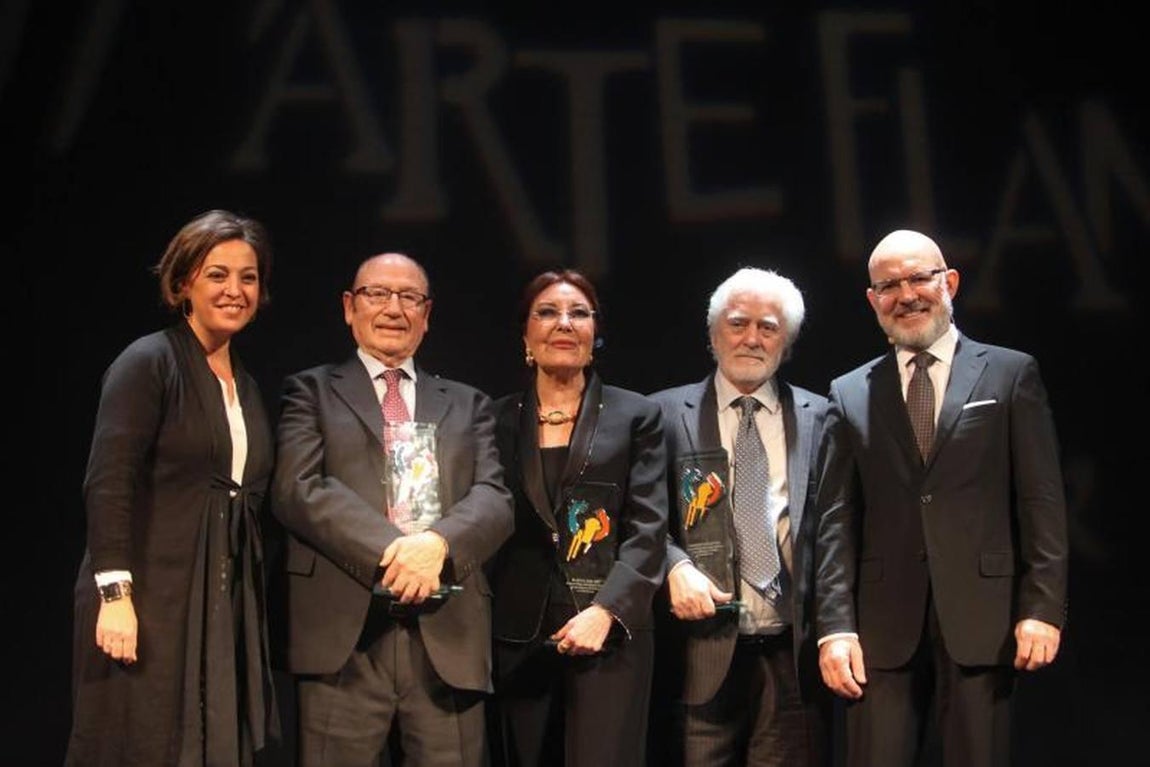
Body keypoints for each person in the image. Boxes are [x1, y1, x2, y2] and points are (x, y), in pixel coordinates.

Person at [814, 229, 1069, 766]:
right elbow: (837, 520)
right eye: (888, 285)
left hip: (986, 620)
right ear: (872, 300)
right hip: (881, 631)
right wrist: (835, 628)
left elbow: (1041, 501)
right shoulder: (849, 391)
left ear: (949, 281)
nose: (906, 294)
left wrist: (1042, 607)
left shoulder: (1010, 372)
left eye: (918, 278)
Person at [271, 251, 514, 767]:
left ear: (427, 315)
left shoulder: (468, 403)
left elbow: (495, 498)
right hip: (344, 639)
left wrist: (437, 546)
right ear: (349, 307)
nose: (393, 308)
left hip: (447, 635)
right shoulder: (311, 392)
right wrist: (400, 553)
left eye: (409, 297)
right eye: (377, 294)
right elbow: (298, 488)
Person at [66, 209, 280, 766]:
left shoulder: (249, 388)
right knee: (140, 743)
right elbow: (108, 481)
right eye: (217, 274)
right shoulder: (148, 362)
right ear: (183, 283)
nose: (235, 290)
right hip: (148, 602)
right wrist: (116, 598)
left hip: (216, 601)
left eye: (248, 277)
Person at [650, 267, 833, 767]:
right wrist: (674, 566)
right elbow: (640, 518)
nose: (751, 338)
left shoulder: (822, 417)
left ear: (786, 342)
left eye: (768, 327)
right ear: (713, 335)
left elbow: (840, 532)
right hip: (700, 651)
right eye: (737, 323)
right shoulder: (663, 415)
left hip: (792, 653)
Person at [487, 269, 668, 766]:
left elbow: (648, 529)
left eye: (578, 313)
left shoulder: (638, 416)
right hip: (516, 636)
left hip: (609, 632)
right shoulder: (495, 418)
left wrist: (606, 610)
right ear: (526, 334)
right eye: (547, 313)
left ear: (595, 332)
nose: (563, 324)